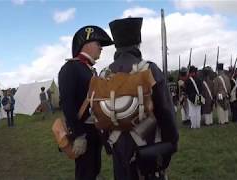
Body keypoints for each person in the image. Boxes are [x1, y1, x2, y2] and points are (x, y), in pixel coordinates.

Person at [103, 17, 178, 180]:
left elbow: (98, 114)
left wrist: (108, 145)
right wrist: (172, 142)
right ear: (138, 42)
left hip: (117, 146)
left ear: (117, 45)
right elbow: (165, 110)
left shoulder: (104, 75)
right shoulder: (149, 69)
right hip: (148, 144)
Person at [58, 25, 113, 180]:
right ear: (87, 44)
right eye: (98, 44)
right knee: (85, 174)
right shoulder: (70, 68)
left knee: (94, 171)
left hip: (94, 131)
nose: (101, 48)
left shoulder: (89, 70)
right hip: (83, 132)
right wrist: (78, 135)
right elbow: (67, 104)